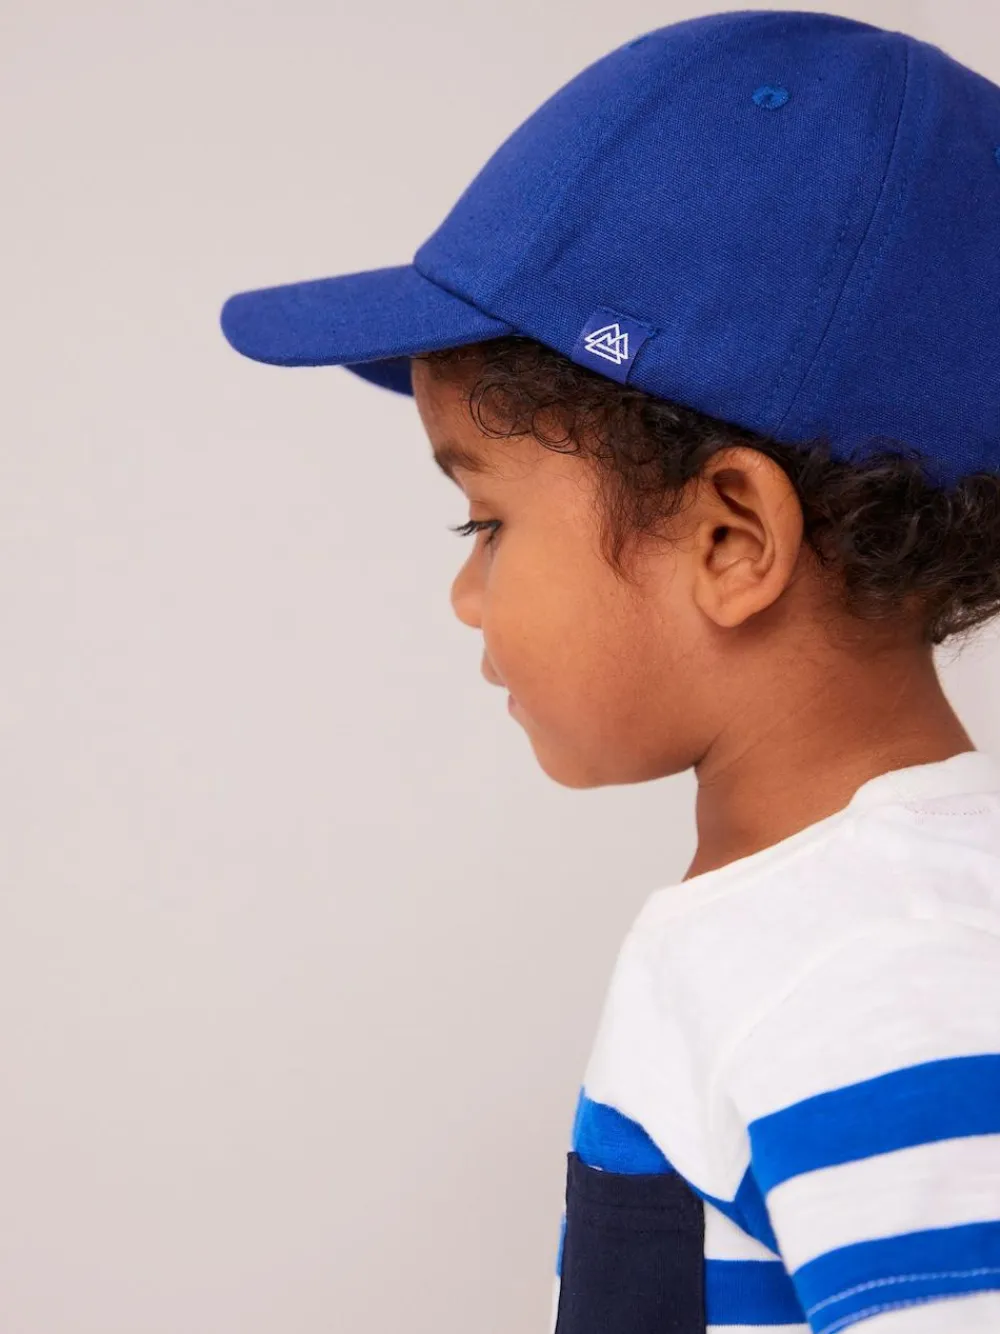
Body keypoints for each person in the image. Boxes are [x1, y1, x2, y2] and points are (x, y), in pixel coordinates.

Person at [219, 9, 1000, 1331]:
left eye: (486, 522)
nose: (466, 593)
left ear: (729, 539)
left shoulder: (888, 983)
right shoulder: (823, 938)